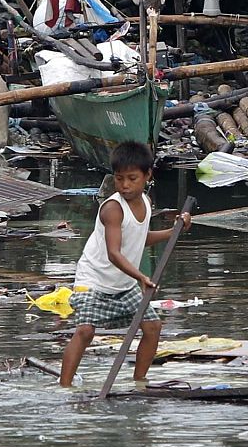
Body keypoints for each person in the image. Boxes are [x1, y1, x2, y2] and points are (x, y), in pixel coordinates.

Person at [57, 140, 190, 388]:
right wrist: (141, 276)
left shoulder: (146, 204)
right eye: (120, 179)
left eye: (132, 178)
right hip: (93, 282)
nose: (125, 185)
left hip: (123, 283)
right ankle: (64, 388)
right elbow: (114, 253)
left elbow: (140, 240)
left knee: (152, 327)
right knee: (85, 331)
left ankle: (140, 382)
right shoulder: (113, 209)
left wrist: (174, 231)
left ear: (148, 175)